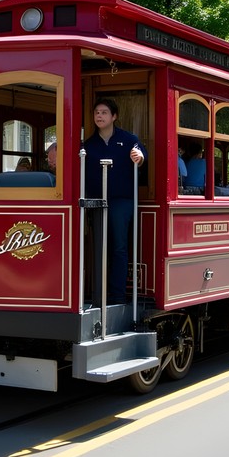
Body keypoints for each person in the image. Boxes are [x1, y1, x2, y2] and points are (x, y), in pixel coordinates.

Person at [83, 98, 145, 304]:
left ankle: (117, 296)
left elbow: (141, 155)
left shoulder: (128, 139)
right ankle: (97, 294)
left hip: (121, 201)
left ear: (114, 116)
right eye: (96, 113)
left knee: (118, 247)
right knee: (98, 248)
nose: (99, 116)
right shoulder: (88, 145)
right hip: (96, 203)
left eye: (104, 112)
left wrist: (139, 157)